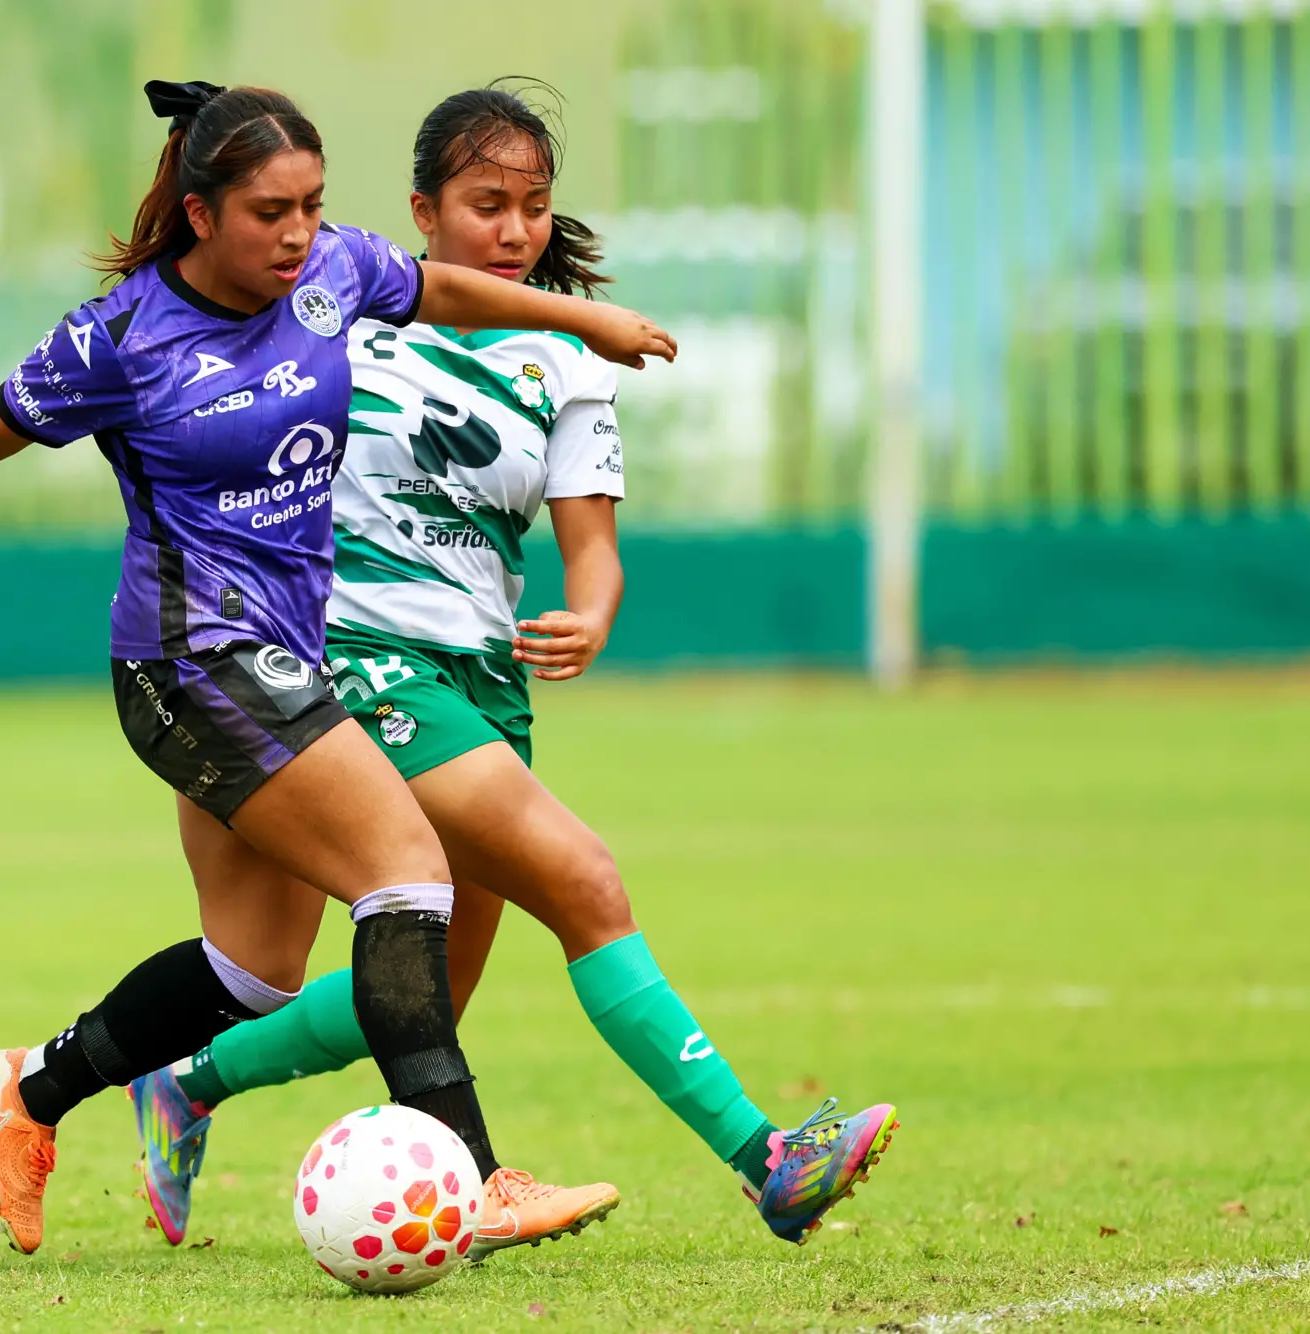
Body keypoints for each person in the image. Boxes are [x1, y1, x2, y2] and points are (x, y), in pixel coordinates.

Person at [0, 80, 678, 1257]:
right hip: (187, 663)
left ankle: (27, 1091)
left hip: (283, 663)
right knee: (407, 871)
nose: (296, 235)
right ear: (198, 214)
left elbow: (436, 283)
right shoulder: (122, 337)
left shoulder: (335, 272)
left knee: (252, 970)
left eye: (309, 206)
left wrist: (578, 322)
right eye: (266, 213)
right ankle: (473, 1170)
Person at [128, 84, 897, 1256]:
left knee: (421, 984)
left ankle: (186, 1083)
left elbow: (593, 551)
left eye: (533, 207)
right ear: (421, 211)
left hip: (483, 684)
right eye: (486, 203)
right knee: (587, 881)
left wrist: (586, 616)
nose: (515, 230)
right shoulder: (334, 304)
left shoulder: (564, 360)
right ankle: (766, 1160)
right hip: (359, 666)